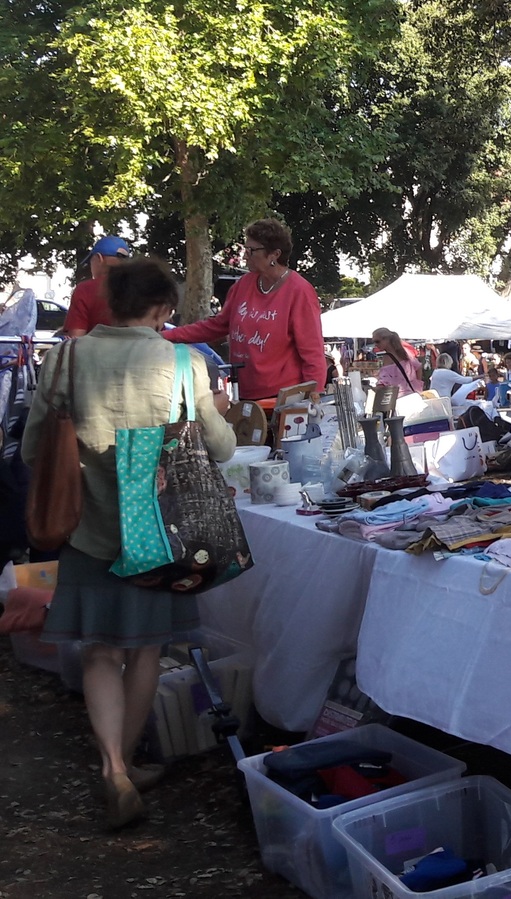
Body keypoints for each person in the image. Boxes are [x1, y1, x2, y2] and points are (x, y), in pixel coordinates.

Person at [23, 258, 235, 828]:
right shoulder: (186, 362)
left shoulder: (65, 357)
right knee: (144, 651)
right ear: (165, 309)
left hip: (86, 531)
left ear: (109, 304)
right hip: (159, 535)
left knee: (98, 650)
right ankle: (128, 762)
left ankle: (113, 766)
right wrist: (214, 411)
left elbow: (31, 450)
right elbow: (221, 450)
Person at [162, 219, 325, 402]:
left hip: (284, 400)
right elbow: (217, 326)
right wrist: (167, 335)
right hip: (244, 396)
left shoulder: (299, 291)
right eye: (245, 248)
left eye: (251, 250)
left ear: (274, 255)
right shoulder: (243, 285)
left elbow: (313, 353)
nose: (245, 256)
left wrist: (313, 396)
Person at [65, 236, 134, 337]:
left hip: (95, 352)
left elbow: (76, 338)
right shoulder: (142, 287)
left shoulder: (85, 290)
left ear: (99, 258)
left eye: (91, 261)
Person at [370, 328, 423, 397]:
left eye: (377, 341)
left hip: (398, 397)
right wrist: (416, 385)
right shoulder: (405, 352)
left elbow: (386, 382)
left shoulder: (387, 358)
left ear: (386, 340)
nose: (375, 345)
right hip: (412, 394)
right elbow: (418, 368)